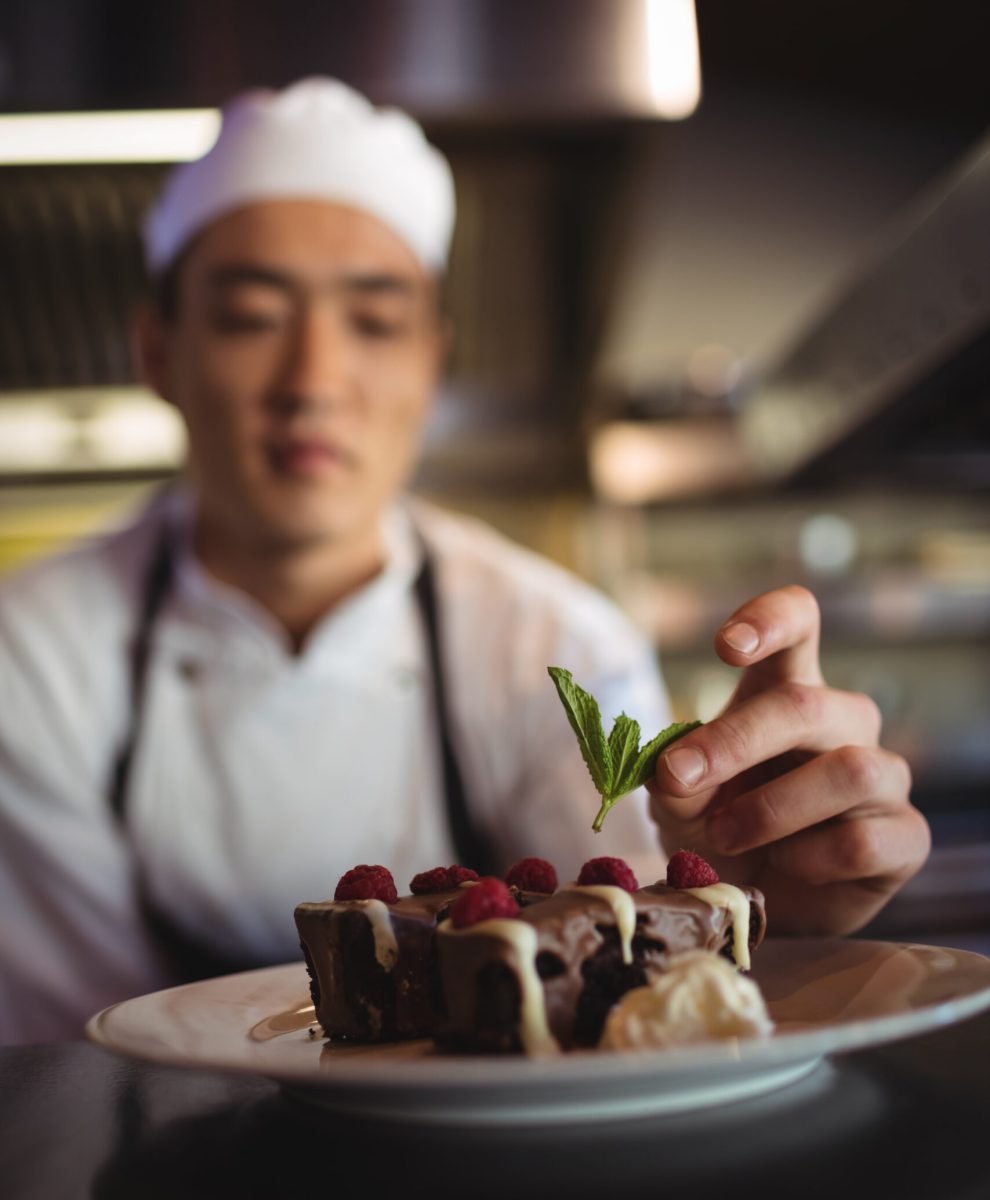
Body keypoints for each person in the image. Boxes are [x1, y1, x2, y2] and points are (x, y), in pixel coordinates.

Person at [0, 78, 929, 1044]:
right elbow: (84, 1055)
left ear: (432, 361)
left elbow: (624, 1018)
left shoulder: (555, 643)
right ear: (159, 352)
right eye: (249, 316)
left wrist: (756, 910)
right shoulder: (30, 659)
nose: (313, 381)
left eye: (374, 321)